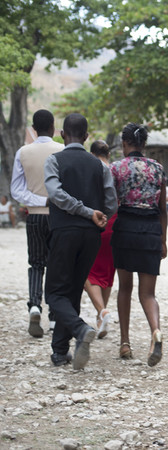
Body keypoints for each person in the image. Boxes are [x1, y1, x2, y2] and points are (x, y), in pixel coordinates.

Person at [44, 113, 118, 368]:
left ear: (62, 135)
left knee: (54, 293)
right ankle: (59, 351)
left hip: (64, 232)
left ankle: (79, 328)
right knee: (73, 290)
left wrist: (84, 211)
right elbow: (111, 202)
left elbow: (55, 194)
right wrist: (97, 216)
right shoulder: (100, 166)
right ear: (86, 137)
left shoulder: (54, 160)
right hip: (90, 237)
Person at [110, 123, 167, 366]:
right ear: (143, 144)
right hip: (151, 230)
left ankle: (125, 343)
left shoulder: (116, 168)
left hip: (125, 230)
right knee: (148, 293)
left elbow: (111, 204)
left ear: (124, 144)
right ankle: (156, 331)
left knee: (125, 288)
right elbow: (163, 209)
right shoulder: (158, 169)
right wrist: (163, 240)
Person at [10, 109, 63, 337]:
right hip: (58, 217)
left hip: (34, 216)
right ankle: (53, 317)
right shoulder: (62, 151)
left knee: (36, 263)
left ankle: (34, 305)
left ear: (33, 129)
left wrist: (39, 200)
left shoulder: (23, 152)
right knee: (55, 266)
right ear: (53, 128)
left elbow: (16, 189)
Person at [83, 140, 116, 339]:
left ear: (92, 154)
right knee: (107, 272)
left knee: (88, 272)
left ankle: (102, 311)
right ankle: (100, 315)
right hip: (114, 222)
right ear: (108, 155)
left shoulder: (91, 171)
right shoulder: (114, 170)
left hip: (95, 221)